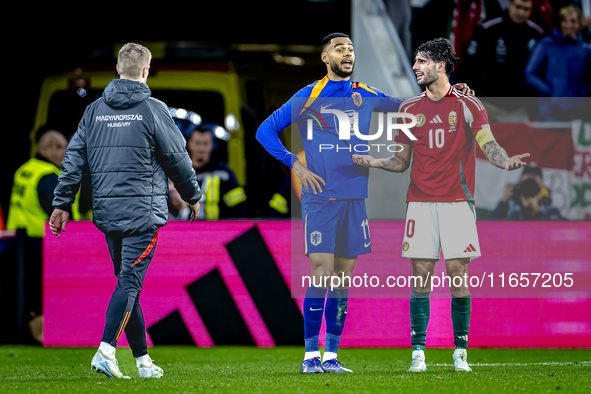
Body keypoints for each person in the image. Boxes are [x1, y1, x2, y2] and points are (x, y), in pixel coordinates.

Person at [256, 32, 473, 374]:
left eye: (351, 48)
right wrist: (295, 164)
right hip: (321, 198)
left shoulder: (366, 94)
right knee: (322, 271)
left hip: (355, 198)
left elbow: (412, 106)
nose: (347, 53)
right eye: (339, 48)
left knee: (343, 277)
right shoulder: (308, 95)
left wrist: (452, 93)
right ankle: (310, 355)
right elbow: (265, 131)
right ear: (325, 58)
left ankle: (331, 356)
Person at [352, 38, 529, 373]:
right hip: (419, 202)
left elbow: (487, 144)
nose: (416, 67)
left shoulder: (468, 105)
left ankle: (460, 352)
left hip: (458, 202)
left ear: (440, 65)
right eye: (416, 61)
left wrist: (504, 162)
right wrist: (375, 161)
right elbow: (401, 161)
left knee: (458, 273)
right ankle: (418, 353)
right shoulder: (408, 109)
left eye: (421, 61)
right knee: (421, 275)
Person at [48, 43, 202, 379]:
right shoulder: (153, 109)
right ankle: (105, 350)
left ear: (117, 69)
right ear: (146, 71)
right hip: (142, 214)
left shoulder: (93, 111)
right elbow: (177, 158)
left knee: (127, 285)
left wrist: (62, 203)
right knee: (130, 284)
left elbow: (74, 159)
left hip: (107, 214)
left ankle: (144, 363)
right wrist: (192, 195)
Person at [6, 129, 68, 343]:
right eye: (59, 147)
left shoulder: (25, 169)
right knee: (39, 295)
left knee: (25, 293)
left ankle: (26, 334)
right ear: (45, 149)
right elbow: (58, 210)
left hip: (17, 241)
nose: (64, 152)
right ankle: (40, 337)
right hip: (41, 243)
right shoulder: (48, 175)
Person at [459, 0, 544, 97]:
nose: (521, 12)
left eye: (526, 9)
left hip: (523, 103)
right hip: (490, 100)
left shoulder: (537, 34)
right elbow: (469, 66)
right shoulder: (488, 29)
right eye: (518, 7)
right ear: (510, 4)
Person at [525, 5, 591, 120]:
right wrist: (548, 91)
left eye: (573, 21)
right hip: (549, 112)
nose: (568, 25)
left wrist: (584, 95)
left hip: (577, 113)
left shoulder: (585, 49)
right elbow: (529, 73)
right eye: (564, 21)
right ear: (560, 23)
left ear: (579, 23)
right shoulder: (547, 44)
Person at [185, 123, 246, 220]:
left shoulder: (225, 173)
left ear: (212, 145)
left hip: (217, 231)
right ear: (188, 144)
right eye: (197, 143)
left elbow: (238, 209)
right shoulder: (177, 172)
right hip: (181, 231)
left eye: (205, 144)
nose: (201, 148)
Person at [491, 162, 563, 219]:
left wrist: (537, 212)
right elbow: (492, 226)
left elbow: (553, 230)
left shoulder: (548, 210)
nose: (531, 175)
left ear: (541, 184)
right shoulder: (511, 206)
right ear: (520, 180)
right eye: (528, 174)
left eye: (535, 176)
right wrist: (503, 201)